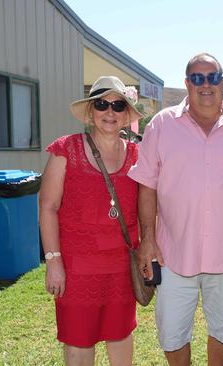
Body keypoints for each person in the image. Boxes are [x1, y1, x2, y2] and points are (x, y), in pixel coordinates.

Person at [127, 53, 223, 366]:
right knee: (173, 334)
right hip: (173, 252)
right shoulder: (162, 125)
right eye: (198, 78)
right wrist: (147, 239)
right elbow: (146, 185)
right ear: (188, 84)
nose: (206, 84)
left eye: (213, 77)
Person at [39, 76, 143, 365]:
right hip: (76, 269)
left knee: (121, 335)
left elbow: (151, 208)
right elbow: (47, 206)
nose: (110, 112)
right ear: (90, 111)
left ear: (126, 115)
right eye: (101, 104)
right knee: (78, 340)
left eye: (118, 105)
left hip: (122, 268)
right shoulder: (66, 149)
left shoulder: (139, 155)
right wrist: (53, 261)